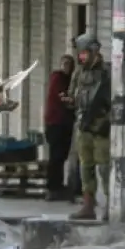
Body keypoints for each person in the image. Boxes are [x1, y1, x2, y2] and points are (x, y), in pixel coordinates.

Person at [61, 33, 111, 220]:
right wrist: (69, 101)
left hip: (101, 128)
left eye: (84, 53)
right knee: (85, 167)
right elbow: (73, 96)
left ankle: (109, 206)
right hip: (83, 126)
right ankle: (88, 206)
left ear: (94, 52)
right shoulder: (79, 73)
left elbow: (116, 101)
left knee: (104, 167)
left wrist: (106, 120)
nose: (81, 57)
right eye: (79, 54)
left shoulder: (107, 73)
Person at [43, 55, 76, 201]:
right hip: (56, 123)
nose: (67, 67)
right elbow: (63, 97)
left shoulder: (68, 80)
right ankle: (53, 187)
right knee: (56, 157)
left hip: (64, 123)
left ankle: (57, 186)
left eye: (70, 64)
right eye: (65, 64)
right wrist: (74, 102)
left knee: (61, 156)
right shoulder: (58, 78)